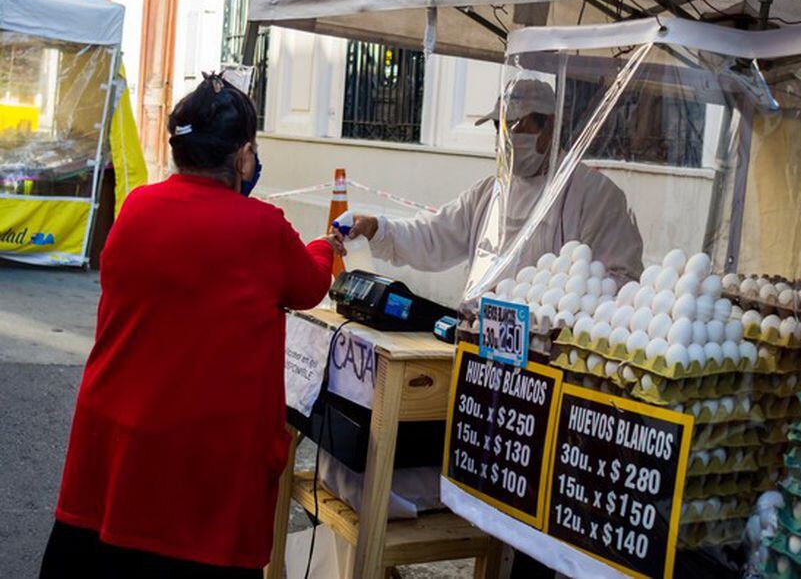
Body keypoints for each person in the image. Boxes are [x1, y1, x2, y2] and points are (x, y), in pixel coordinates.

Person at [40, 74, 342, 578]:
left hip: (118, 442)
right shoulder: (262, 228)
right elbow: (310, 285)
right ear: (243, 155)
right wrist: (326, 246)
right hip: (205, 463)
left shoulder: (135, 208)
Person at [340, 79, 644, 286]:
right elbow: (433, 236)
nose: (505, 139)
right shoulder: (488, 193)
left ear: (550, 126)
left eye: (515, 126)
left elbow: (621, 278)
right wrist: (378, 229)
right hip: (481, 350)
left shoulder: (595, 195)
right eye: (499, 127)